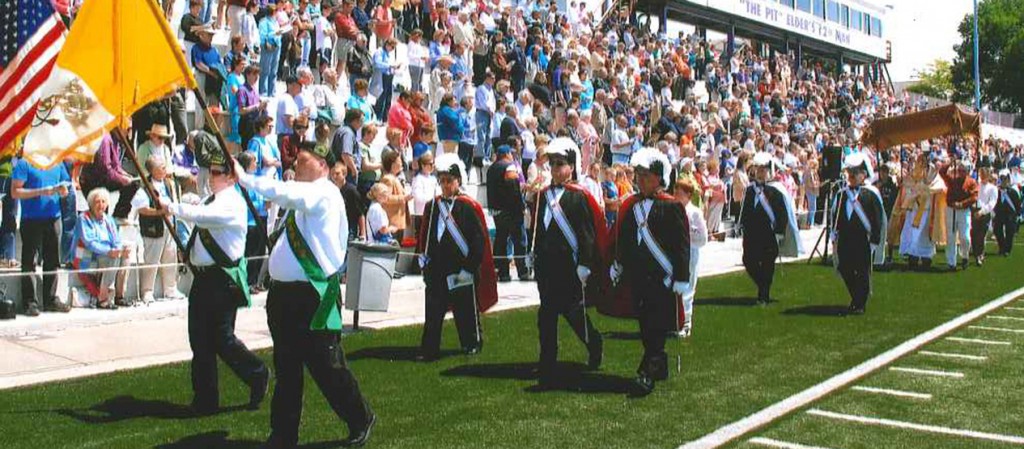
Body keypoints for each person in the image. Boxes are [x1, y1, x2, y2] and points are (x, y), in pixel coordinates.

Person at [236, 142, 376, 449]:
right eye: (295, 160)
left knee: (327, 365)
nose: (296, 166)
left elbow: (286, 193)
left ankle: (360, 417)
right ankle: (284, 434)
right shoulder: (302, 198)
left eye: (303, 161)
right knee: (287, 368)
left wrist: (245, 178)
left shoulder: (323, 193)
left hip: (314, 295)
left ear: (323, 167)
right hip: (284, 296)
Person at [161, 156, 270, 416]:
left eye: (219, 172)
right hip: (204, 279)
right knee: (199, 340)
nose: (212, 176)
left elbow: (203, 217)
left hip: (222, 280)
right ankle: (205, 399)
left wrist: (171, 207)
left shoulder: (231, 202)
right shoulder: (213, 198)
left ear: (232, 176)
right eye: (211, 171)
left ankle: (257, 373)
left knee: (222, 339)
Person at [607, 148, 689, 396]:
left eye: (645, 176)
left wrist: (681, 277)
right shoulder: (633, 206)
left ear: (659, 178)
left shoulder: (672, 207)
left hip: (663, 279)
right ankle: (658, 365)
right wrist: (618, 264)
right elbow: (626, 241)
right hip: (640, 276)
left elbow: (681, 246)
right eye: (638, 175)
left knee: (657, 326)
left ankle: (648, 373)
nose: (640, 180)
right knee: (645, 325)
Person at [530, 141, 606, 387]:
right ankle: (547, 361)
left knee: (575, 315)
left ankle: (594, 343)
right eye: (552, 164)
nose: (554, 169)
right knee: (546, 316)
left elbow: (587, 235)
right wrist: (534, 254)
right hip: (547, 268)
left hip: (570, 268)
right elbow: (537, 230)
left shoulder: (578, 197)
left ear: (572, 167)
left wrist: (585, 263)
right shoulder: (542, 196)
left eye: (560, 164)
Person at [415, 153, 498, 361]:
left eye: (448, 181)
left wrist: (469, 268)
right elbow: (426, 235)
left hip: (461, 268)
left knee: (465, 311)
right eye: (441, 181)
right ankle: (429, 348)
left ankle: (472, 343)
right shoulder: (432, 206)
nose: (445, 185)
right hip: (437, 268)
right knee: (433, 312)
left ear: (458, 181)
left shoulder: (468, 206)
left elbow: (478, 241)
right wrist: (423, 258)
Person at [12, 156, 71, 316]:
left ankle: (51, 299)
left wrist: (64, 190)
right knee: (30, 261)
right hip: (31, 219)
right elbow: (15, 191)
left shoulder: (57, 162)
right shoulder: (25, 163)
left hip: (53, 217)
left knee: (53, 260)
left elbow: (66, 183)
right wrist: (41, 192)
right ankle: (30, 302)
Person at [832, 153, 885, 315]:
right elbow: (836, 216)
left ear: (863, 174)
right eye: (850, 173)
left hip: (863, 239)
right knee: (845, 268)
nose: (852, 177)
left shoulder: (870, 194)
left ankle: (859, 303)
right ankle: (856, 297)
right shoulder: (841, 194)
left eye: (855, 173)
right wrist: (833, 233)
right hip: (845, 239)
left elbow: (877, 220)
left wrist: (874, 240)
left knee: (862, 271)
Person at [738, 152, 792, 306]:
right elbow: (745, 210)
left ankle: (764, 295)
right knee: (748, 261)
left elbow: (782, 214)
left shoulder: (775, 191)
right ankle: (762, 285)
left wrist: (780, 232)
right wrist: (742, 225)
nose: (762, 173)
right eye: (759, 170)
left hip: (768, 234)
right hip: (751, 234)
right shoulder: (749, 190)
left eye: (764, 170)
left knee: (768, 265)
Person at [131, 156, 186, 304]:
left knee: (170, 256)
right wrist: (159, 213)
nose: (164, 168)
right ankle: (147, 291)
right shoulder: (146, 187)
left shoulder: (170, 184)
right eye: (161, 166)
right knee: (152, 259)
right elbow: (142, 209)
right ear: (153, 170)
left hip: (170, 226)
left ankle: (170, 288)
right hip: (154, 228)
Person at [74, 188, 131, 310]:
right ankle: (103, 298)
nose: (101, 205)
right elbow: (89, 243)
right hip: (88, 255)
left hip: (105, 254)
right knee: (113, 257)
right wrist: (109, 251)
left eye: (103, 202)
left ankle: (119, 296)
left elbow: (116, 241)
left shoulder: (108, 219)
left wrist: (121, 249)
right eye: (97, 202)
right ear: (91, 204)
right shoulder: (84, 218)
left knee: (125, 257)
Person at [889, 155, 945, 270]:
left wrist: (925, 190)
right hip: (913, 210)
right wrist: (907, 186)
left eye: (924, 162)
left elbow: (940, 187)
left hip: (926, 211)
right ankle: (912, 256)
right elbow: (907, 187)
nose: (922, 165)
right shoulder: (912, 176)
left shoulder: (934, 175)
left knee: (924, 235)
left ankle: (926, 257)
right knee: (910, 234)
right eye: (920, 162)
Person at [487, 144, 531, 282]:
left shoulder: (491, 169)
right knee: (519, 241)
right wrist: (521, 206)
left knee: (501, 241)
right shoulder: (509, 167)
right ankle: (522, 271)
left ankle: (503, 272)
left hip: (496, 211)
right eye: (511, 154)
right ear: (506, 155)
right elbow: (514, 188)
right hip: (511, 211)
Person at [671, 177, 707, 337]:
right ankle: (674, 321)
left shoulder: (695, 213)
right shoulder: (672, 209)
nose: (676, 196)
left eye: (680, 193)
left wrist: (686, 236)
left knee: (688, 288)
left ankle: (686, 323)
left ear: (688, 195)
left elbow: (703, 238)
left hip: (690, 254)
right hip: (674, 254)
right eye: (675, 192)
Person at [939, 159, 979, 271]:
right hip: (951, 210)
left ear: (967, 171)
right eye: (959, 170)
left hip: (963, 211)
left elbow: (974, 197)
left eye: (963, 170)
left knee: (965, 237)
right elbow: (942, 172)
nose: (960, 172)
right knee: (950, 237)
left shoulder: (971, 182)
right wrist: (950, 163)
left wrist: (962, 204)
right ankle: (951, 262)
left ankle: (965, 256)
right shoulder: (953, 180)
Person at [971, 166, 997, 266]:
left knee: (981, 235)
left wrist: (982, 212)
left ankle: (979, 254)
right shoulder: (977, 185)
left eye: (983, 175)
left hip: (984, 213)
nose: (981, 177)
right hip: (975, 210)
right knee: (974, 234)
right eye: (980, 175)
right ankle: (976, 254)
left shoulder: (992, 188)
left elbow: (992, 203)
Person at [993, 169, 1021, 256]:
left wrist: (1017, 215)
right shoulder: (996, 191)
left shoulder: (1013, 192)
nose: (1004, 181)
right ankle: (1002, 247)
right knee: (997, 230)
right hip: (999, 214)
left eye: (1005, 179)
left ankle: (1007, 250)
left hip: (1010, 215)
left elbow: (1017, 204)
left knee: (1010, 233)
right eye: (1002, 179)